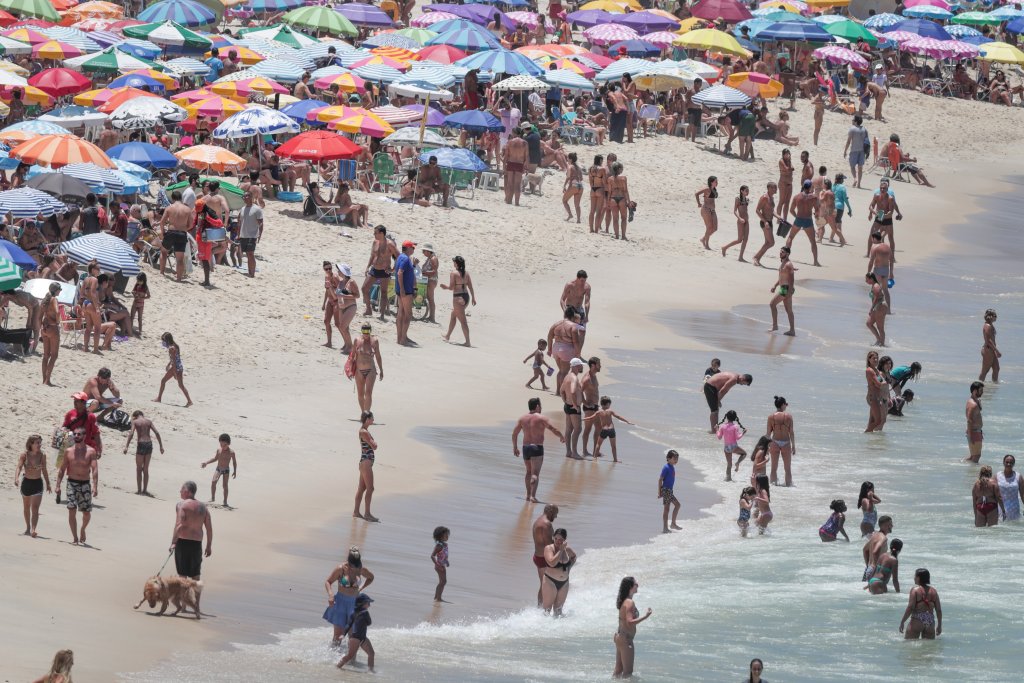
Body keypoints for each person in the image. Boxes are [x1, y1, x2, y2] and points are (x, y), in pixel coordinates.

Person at [512, 397, 564, 503]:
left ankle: (527, 495)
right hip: (537, 448)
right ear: (537, 406)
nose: (541, 408)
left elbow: (514, 433)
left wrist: (515, 447)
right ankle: (533, 496)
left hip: (526, 448)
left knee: (528, 472)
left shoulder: (522, 418)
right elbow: (553, 429)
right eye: (540, 406)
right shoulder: (542, 418)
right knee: (535, 474)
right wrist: (561, 436)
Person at [55, 425, 99, 545]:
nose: (76, 436)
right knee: (71, 509)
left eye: (79, 434)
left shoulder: (91, 451)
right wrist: (58, 485)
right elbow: (62, 469)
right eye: (75, 434)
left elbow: (95, 469)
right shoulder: (68, 451)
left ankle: (83, 529)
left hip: (85, 484)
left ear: (84, 436)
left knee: (86, 513)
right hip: (71, 483)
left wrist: (95, 486)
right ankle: (75, 537)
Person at [323, 547, 374, 646]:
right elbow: (328, 582)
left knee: (353, 636)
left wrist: (361, 588)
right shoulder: (340, 569)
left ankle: (350, 656)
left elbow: (371, 577)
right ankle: (332, 655)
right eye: (352, 566)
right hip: (340, 603)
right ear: (348, 562)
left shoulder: (361, 569)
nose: (354, 568)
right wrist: (330, 595)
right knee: (337, 637)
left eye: (356, 566)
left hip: (354, 605)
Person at [170, 481, 212, 580]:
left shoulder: (181, 505)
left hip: (182, 542)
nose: (180, 491)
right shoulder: (203, 507)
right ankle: (196, 591)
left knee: (182, 575)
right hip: (196, 544)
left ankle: (183, 591)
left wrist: (173, 542)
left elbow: (178, 525)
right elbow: (209, 529)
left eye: (181, 489)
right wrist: (208, 546)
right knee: (196, 576)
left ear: (187, 491)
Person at [613, 576, 652, 679]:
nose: (638, 585)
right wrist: (645, 616)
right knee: (628, 673)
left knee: (618, 671)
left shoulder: (625, 601)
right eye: (636, 584)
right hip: (626, 639)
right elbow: (630, 622)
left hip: (619, 637)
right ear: (630, 587)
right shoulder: (630, 602)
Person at [15, 434, 50, 537]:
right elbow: (19, 467)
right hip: (26, 483)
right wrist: (16, 478)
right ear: (31, 444)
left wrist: (48, 483)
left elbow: (44, 470)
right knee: (26, 507)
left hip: (37, 483)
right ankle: (27, 528)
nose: (39, 445)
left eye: (40, 443)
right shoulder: (24, 455)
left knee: (35, 508)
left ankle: (33, 529)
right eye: (37, 443)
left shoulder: (42, 455)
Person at [124, 410, 163, 496]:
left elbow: (131, 433)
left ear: (135, 416)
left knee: (139, 469)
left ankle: (139, 491)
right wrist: (161, 446)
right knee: (145, 469)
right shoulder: (148, 421)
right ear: (142, 415)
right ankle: (145, 490)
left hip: (141, 444)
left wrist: (126, 446)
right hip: (149, 444)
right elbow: (157, 433)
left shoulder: (135, 422)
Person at [584, 396, 633, 462]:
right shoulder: (610, 411)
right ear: (608, 404)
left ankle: (595, 458)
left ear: (601, 404)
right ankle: (615, 459)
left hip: (604, 430)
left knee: (598, 444)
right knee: (613, 446)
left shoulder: (599, 412)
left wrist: (583, 419)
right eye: (609, 404)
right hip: (611, 430)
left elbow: (591, 417)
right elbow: (618, 416)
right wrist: (627, 421)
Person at [441, 255, 476, 347]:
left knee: (463, 321)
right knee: (453, 315)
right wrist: (473, 298)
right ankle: (447, 336)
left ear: (456, 263)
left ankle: (467, 342)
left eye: (454, 262)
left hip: (458, 298)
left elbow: (451, 287)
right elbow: (470, 287)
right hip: (466, 297)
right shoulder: (466, 273)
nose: (453, 263)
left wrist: (445, 287)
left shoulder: (454, 273)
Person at [158, 190, 193, 282]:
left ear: (172, 198)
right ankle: (179, 278)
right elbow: (191, 225)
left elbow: (162, 222)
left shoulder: (169, 208)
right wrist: (184, 228)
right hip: (182, 233)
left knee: (164, 252)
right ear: (181, 198)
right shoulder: (187, 209)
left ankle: (162, 272)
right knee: (180, 258)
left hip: (171, 232)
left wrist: (163, 233)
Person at [541, 527, 576, 617]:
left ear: (564, 540)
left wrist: (569, 568)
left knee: (558, 612)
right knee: (547, 611)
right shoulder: (549, 549)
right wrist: (561, 550)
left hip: (564, 583)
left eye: (560, 539)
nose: (557, 541)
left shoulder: (567, 550)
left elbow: (574, 557)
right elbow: (552, 562)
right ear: (553, 538)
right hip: (550, 581)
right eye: (556, 538)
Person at [785, 180, 821, 267]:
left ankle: (786, 257)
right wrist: (817, 217)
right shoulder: (814, 197)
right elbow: (817, 211)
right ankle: (815, 261)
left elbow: (791, 210)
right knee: (812, 241)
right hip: (808, 220)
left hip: (799, 219)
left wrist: (796, 216)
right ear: (810, 187)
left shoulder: (797, 197)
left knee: (790, 237)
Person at [336, 593, 375, 672]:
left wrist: (343, 634)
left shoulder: (353, 613)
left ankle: (371, 671)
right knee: (353, 655)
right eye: (368, 603)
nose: (369, 605)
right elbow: (369, 623)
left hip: (357, 637)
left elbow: (348, 625)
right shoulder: (365, 613)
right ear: (362, 603)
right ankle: (337, 666)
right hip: (358, 638)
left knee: (370, 653)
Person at [349, 324, 383, 413]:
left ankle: (367, 412)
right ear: (361, 331)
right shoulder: (357, 340)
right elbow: (352, 356)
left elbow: (378, 356)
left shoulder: (375, 341)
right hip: (359, 371)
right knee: (360, 394)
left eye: (367, 332)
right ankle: (363, 413)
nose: (366, 334)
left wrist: (381, 370)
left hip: (370, 370)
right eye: (364, 331)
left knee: (368, 393)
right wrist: (350, 370)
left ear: (370, 331)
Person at [899, 568, 942, 639]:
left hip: (917, 619)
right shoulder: (934, 591)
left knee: (910, 644)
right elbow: (938, 610)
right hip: (930, 621)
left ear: (918, 578)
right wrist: (939, 625)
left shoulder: (915, 590)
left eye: (915, 576)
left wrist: (902, 621)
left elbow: (910, 607)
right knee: (928, 646)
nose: (914, 578)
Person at [154, 332, 193, 407]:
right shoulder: (176, 346)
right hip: (179, 367)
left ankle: (159, 398)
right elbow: (175, 358)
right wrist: (168, 364)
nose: (163, 342)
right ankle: (189, 401)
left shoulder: (171, 348)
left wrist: (174, 372)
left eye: (163, 340)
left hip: (175, 367)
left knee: (164, 381)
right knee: (180, 385)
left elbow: (174, 361)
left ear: (167, 340)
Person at [867, 179, 902, 256]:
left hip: (887, 218)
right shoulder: (876, 196)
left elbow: (891, 212)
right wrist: (873, 212)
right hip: (879, 215)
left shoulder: (890, 198)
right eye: (881, 188)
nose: (882, 189)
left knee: (890, 237)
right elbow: (871, 206)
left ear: (887, 189)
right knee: (872, 234)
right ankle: (868, 254)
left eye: (884, 188)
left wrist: (885, 216)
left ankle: (892, 256)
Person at [532, 504, 558, 606]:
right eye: (555, 514)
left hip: (538, 556)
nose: (556, 516)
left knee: (544, 584)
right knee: (546, 585)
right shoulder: (546, 524)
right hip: (544, 558)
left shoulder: (538, 520)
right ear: (550, 512)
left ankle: (539, 608)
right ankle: (543, 608)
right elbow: (549, 545)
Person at [200, 433, 237, 507]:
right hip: (218, 468)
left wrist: (235, 471)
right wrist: (206, 463)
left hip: (226, 470)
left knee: (225, 486)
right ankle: (212, 497)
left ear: (228, 443)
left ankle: (225, 501)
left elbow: (234, 462)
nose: (222, 446)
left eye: (224, 445)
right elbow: (215, 459)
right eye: (221, 444)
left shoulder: (231, 452)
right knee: (213, 482)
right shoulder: (219, 450)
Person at [769, 246, 796, 336]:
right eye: (780, 251)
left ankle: (775, 326)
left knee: (772, 304)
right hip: (784, 288)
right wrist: (775, 285)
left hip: (785, 288)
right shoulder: (783, 263)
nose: (780, 253)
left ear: (787, 254)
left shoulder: (788, 264)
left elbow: (791, 279)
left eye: (782, 252)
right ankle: (792, 330)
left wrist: (790, 291)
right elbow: (781, 277)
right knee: (789, 310)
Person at [395, 240, 417, 347]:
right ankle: (403, 339)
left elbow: (399, 271)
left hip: (401, 289)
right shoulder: (405, 258)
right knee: (408, 314)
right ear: (408, 248)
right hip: (405, 290)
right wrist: (403, 289)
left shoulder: (400, 257)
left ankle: (400, 338)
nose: (413, 249)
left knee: (401, 313)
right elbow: (400, 273)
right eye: (412, 248)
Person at [39, 282, 61, 385]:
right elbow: (57, 312)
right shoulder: (54, 299)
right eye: (59, 289)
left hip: (44, 328)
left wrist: (41, 327)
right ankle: (47, 380)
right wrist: (58, 322)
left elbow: (39, 316)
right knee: (54, 355)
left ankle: (44, 379)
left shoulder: (45, 300)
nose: (60, 291)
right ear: (56, 290)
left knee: (46, 355)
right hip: (52, 328)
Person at [237, 190, 263, 278]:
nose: (244, 198)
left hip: (252, 235)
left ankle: (252, 274)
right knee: (247, 254)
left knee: (250, 253)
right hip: (243, 235)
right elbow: (239, 222)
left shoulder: (257, 209)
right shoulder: (242, 209)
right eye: (243, 196)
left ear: (251, 197)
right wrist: (238, 234)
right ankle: (249, 272)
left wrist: (259, 235)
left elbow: (261, 223)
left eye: (246, 196)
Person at [716, 410, 747, 482]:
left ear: (727, 417)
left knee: (729, 464)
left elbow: (719, 437)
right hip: (733, 447)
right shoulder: (735, 426)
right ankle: (737, 463)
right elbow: (737, 437)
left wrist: (717, 429)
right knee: (744, 454)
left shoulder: (722, 426)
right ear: (735, 418)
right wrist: (743, 433)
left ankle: (728, 478)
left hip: (726, 447)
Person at [721, 185, 750, 262]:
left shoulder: (747, 199)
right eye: (746, 190)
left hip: (747, 221)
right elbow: (734, 211)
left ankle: (740, 257)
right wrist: (739, 218)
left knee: (746, 239)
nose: (747, 192)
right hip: (740, 221)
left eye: (748, 190)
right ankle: (724, 247)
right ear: (742, 191)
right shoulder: (737, 199)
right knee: (739, 240)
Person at [867, 232, 894, 313]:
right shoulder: (887, 247)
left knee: (874, 290)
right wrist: (891, 272)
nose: (872, 240)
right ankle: (888, 310)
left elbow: (871, 262)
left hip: (878, 270)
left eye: (872, 238)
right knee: (885, 290)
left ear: (874, 238)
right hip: (886, 270)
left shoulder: (874, 247)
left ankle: (874, 309)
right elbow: (891, 260)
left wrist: (868, 273)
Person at [752, 182, 777, 267]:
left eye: (776, 187)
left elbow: (772, 211)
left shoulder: (771, 198)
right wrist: (765, 221)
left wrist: (779, 217)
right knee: (771, 242)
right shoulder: (764, 197)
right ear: (768, 188)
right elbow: (757, 210)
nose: (775, 189)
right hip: (765, 222)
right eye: (773, 187)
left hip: (770, 222)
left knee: (767, 242)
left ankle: (757, 259)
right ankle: (756, 257)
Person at [862, 514, 893, 582]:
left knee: (866, 588)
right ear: (884, 526)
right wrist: (877, 568)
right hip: (874, 570)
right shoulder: (883, 538)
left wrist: (868, 565)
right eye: (890, 524)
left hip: (869, 569)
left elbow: (865, 550)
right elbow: (875, 551)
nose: (892, 526)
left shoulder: (874, 535)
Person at [503, 128, 528, 206]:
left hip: (511, 163)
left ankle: (508, 200)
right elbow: (527, 156)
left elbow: (506, 156)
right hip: (519, 164)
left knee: (509, 183)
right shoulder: (525, 143)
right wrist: (525, 167)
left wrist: (504, 166)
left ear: (514, 133)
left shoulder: (510, 142)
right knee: (517, 184)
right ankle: (517, 202)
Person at [659, 450, 682, 533]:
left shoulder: (672, 467)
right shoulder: (666, 467)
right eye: (674, 458)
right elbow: (660, 479)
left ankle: (672, 524)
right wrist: (660, 492)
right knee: (668, 508)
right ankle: (666, 527)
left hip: (669, 491)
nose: (676, 460)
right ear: (668, 458)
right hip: (666, 490)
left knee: (676, 506)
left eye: (677, 459)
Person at [865, 351, 888, 433]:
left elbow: (881, 382)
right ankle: (866, 433)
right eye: (873, 358)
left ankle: (868, 437)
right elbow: (879, 384)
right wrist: (886, 383)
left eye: (877, 358)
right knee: (878, 421)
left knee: (872, 420)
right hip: (873, 398)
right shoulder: (869, 370)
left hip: (878, 397)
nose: (876, 360)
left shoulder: (876, 370)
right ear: (869, 359)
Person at [606, 162, 630, 240]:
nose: (622, 170)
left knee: (615, 218)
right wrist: (629, 201)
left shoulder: (610, 179)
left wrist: (608, 201)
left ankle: (616, 235)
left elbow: (609, 191)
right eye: (622, 168)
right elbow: (625, 190)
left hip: (613, 199)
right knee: (624, 218)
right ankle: (623, 236)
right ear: (619, 169)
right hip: (622, 198)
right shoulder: (623, 178)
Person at [843, 114, 868, 188]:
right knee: (860, 168)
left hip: (854, 150)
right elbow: (867, 141)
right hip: (862, 151)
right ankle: (859, 184)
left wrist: (845, 151)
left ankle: (855, 178)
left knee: (852, 166)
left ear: (856, 121)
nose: (852, 121)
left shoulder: (852, 129)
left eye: (853, 120)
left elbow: (848, 141)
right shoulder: (864, 129)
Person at [865, 272, 889, 347]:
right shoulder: (873, 285)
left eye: (867, 279)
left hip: (881, 306)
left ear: (871, 279)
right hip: (877, 306)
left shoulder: (875, 286)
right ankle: (879, 340)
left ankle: (882, 345)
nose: (866, 281)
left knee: (880, 328)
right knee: (869, 323)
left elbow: (877, 296)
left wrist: (871, 308)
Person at [696, 176, 718, 250]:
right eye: (715, 181)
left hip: (713, 210)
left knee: (715, 228)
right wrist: (699, 203)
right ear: (711, 182)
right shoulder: (707, 189)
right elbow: (697, 194)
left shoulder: (714, 189)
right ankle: (706, 245)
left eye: (717, 181)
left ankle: (703, 239)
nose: (717, 183)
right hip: (706, 210)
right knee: (709, 227)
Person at [965, 381, 984, 463]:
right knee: (976, 456)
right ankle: (972, 471)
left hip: (976, 431)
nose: (982, 392)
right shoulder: (973, 404)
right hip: (974, 432)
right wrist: (970, 436)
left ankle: (962, 464)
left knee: (973, 456)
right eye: (981, 390)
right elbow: (969, 420)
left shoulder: (975, 401)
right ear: (975, 391)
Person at [979, 309, 1000, 382]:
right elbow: (988, 341)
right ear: (990, 316)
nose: (996, 317)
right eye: (995, 316)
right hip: (988, 350)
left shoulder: (990, 325)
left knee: (996, 368)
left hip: (991, 349)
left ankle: (994, 385)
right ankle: (979, 385)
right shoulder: (988, 326)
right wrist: (996, 351)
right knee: (985, 371)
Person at [431, 526, 450, 603]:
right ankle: (438, 598)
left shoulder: (445, 545)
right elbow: (432, 556)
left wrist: (446, 561)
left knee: (443, 581)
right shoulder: (439, 546)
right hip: (439, 566)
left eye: (448, 535)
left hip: (442, 565)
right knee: (443, 582)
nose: (447, 536)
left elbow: (444, 555)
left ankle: (436, 597)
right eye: (446, 535)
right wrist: (437, 564)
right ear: (440, 536)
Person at [588, 154, 606, 233]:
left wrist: (593, 188)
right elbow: (604, 182)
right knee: (598, 211)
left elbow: (590, 182)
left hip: (593, 189)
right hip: (600, 189)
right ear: (600, 160)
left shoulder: (590, 168)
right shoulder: (602, 169)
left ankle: (591, 229)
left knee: (592, 211)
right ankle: (596, 230)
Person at [562, 152, 583, 223]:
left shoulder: (570, 166)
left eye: (567, 158)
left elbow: (568, 177)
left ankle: (570, 214)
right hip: (581, 186)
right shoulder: (579, 168)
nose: (567, 159)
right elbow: (581, 178)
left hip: (573, 185)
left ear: (570, 159)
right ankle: (578, 220)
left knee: (564, 200)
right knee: (577, 204)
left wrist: (564, 186)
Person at [420, 244, 438, 324]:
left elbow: (434, 271)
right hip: (428, 280)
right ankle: (430, 316)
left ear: (428, 251)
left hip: (431, 280)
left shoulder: (433, 258)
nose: (423, 253)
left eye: (424, 251)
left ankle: (432, 317)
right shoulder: (430, 258)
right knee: (428, 298)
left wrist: (425, 273)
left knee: (430, 298)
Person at [129, 273, 150, 338]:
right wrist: (134, 294)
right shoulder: (137, 285)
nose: (138, 282)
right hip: (135, 303)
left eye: (139, 281)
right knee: (132, 317)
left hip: (141, 304)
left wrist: (142, 297)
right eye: (137, 281)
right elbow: (133, 291)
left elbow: (148, 296)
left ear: (143, 280)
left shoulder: (145, 287)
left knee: (139, 318)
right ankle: (130, 329)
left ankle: (140, 331)